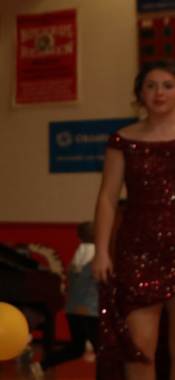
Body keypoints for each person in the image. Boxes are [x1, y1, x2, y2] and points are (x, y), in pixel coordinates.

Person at [92, 58, 175, 380]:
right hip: (138, 251)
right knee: (139, 348)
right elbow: (107, 199)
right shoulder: (123, 139)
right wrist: (101, 251)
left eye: (168, 86)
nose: (159, 93)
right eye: (151, 86)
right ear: (140, 93)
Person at [30, 222, 99, 379]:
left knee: (77, 348)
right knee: (101, 349)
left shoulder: (78, 257)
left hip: (72, 309)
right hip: (91, 310)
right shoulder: (96, 255)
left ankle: (42, 365)